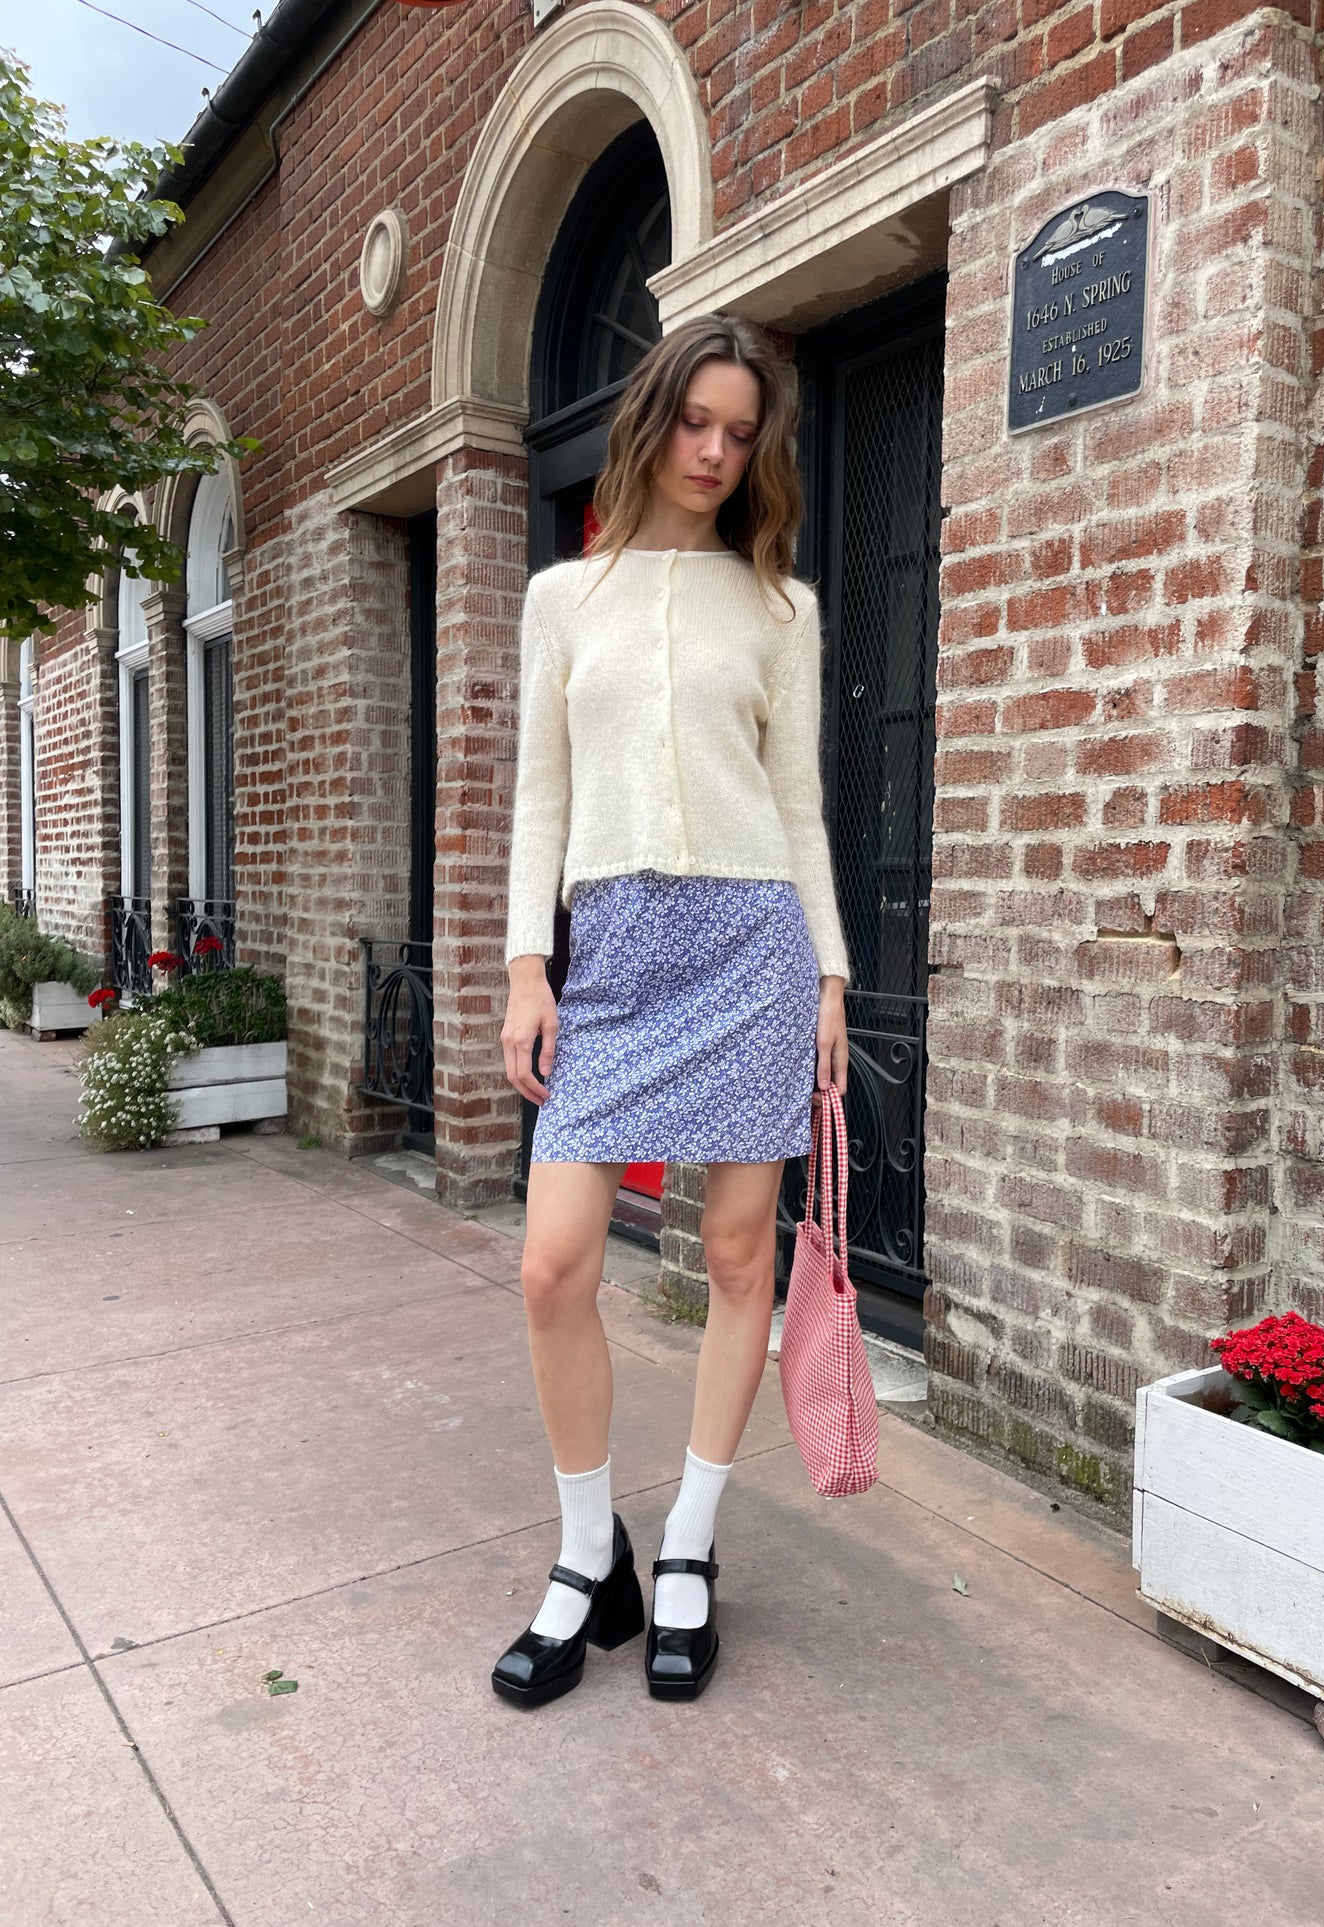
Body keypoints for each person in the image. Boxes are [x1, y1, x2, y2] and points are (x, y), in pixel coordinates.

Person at [492, 312, 851, 1708]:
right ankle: (593, 1554)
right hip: (617, 954)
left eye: (739, 432)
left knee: (735, 1249)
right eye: (694, 422)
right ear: (652, 420)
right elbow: (540, 796)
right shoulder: (558, 600)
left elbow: (804, 807)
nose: (713, 451)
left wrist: (825, 974)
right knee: (552, 1264)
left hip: (751, 938)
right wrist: (531, 965)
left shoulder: (780, 609)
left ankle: (690, 1546)